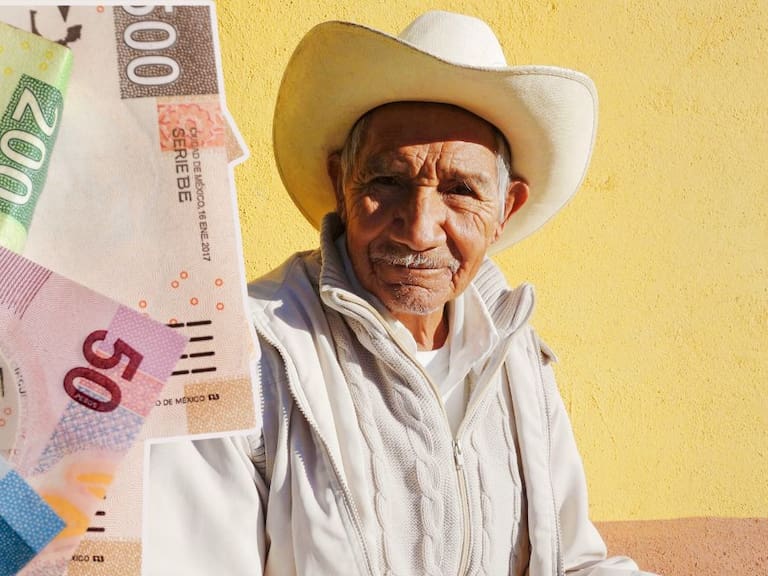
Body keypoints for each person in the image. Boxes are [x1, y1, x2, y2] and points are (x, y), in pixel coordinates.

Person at [147, 11, 655, 576]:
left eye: (460, 191)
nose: (417, 228)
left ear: (504, 210)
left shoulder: (517, 361)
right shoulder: (240, 353)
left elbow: (572, 562)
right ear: (342, 184)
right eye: (387, 182)